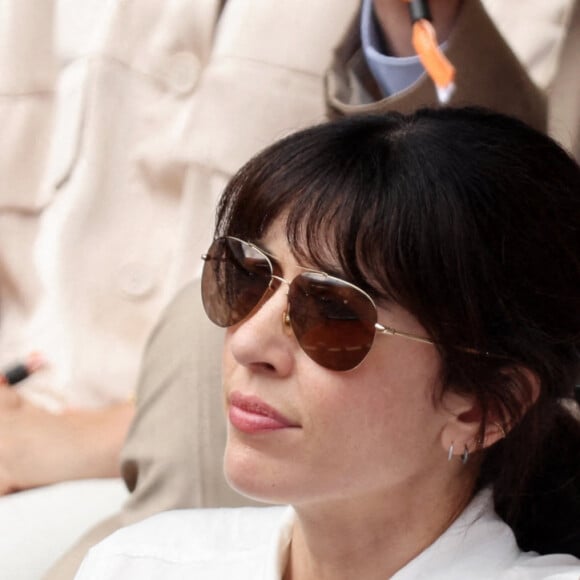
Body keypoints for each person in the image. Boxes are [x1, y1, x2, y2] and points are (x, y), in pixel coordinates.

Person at [74, 107, 580, 579]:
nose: (249, 342)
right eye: (248, 279)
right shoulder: (139, 565)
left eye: (334, 312)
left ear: (483, 409)